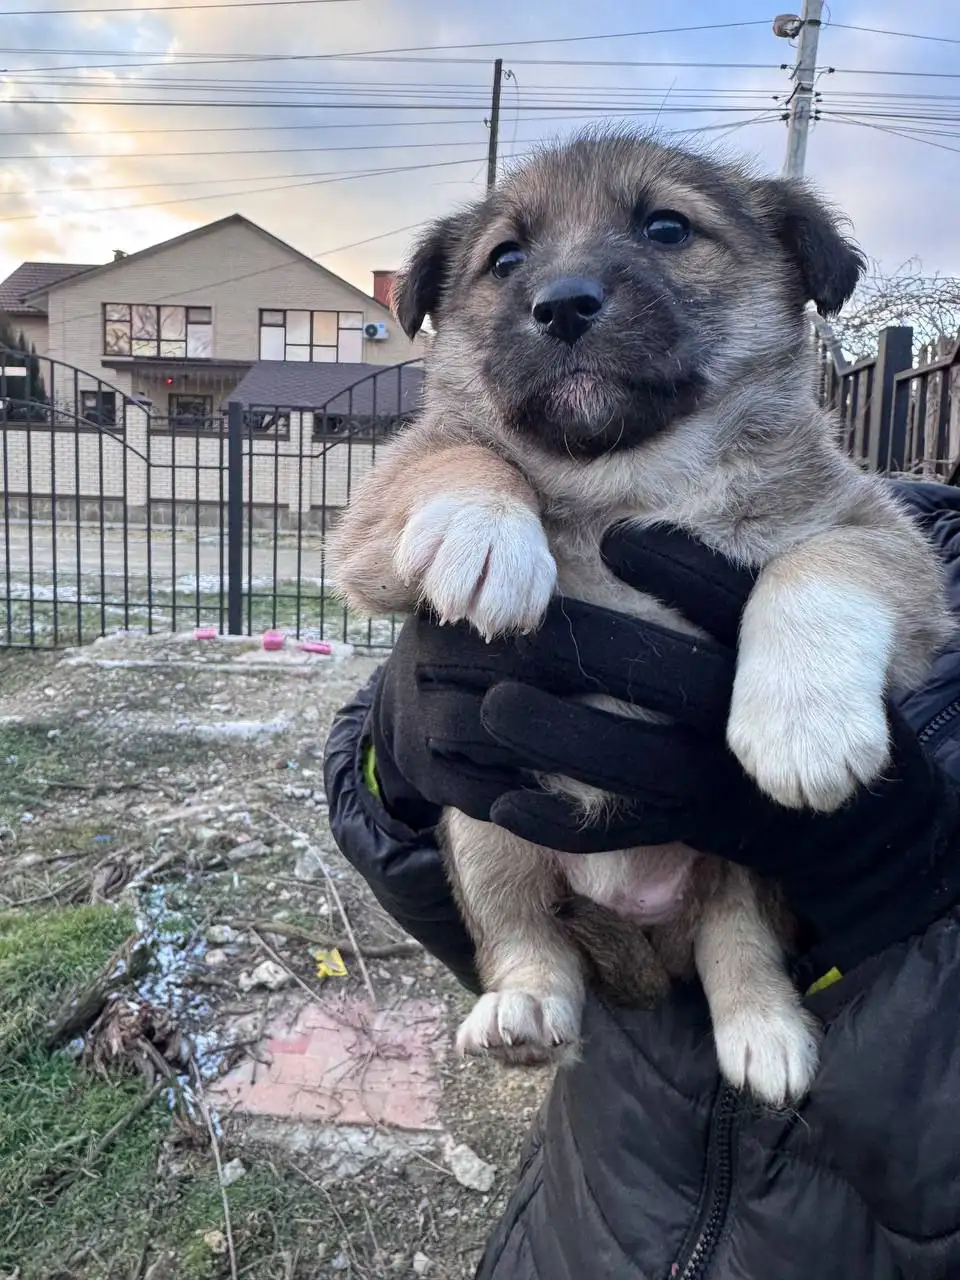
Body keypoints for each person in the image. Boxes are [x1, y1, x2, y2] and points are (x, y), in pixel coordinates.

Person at [323, 478, 960, 1280]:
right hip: (582, 1219)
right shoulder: (897, 506)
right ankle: (533, 969)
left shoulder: (849, 531)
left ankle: (743, 984)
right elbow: (368, 567)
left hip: (851, 1223)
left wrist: (905, 886)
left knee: (737, 908)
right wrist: (398, 771)